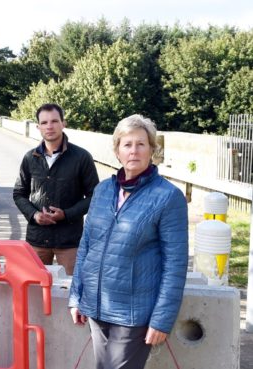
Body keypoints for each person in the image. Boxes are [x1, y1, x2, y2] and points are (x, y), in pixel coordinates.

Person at [68, 114, 189, 369]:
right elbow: (86, 246)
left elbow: (175, 265)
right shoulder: (102, 191)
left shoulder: (168, 197)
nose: (134, 151)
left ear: (152, 150)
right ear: (117, 151)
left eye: (141, 144)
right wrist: (77, 296)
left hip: (133, 314)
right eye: (127, 144)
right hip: (96, 307)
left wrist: (162, 319)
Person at [13, 103, 99, 274]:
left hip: (69, 241)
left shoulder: (81, 157)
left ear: (63, 123)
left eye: (54, 121)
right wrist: (34, 215)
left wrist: (66, 215)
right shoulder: (30, 157)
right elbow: (19, 194)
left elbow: (95, 196)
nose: (49, 126)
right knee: (34, 290)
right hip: (37, 239)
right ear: (38, 127)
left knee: (70, 293)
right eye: (44, 123)